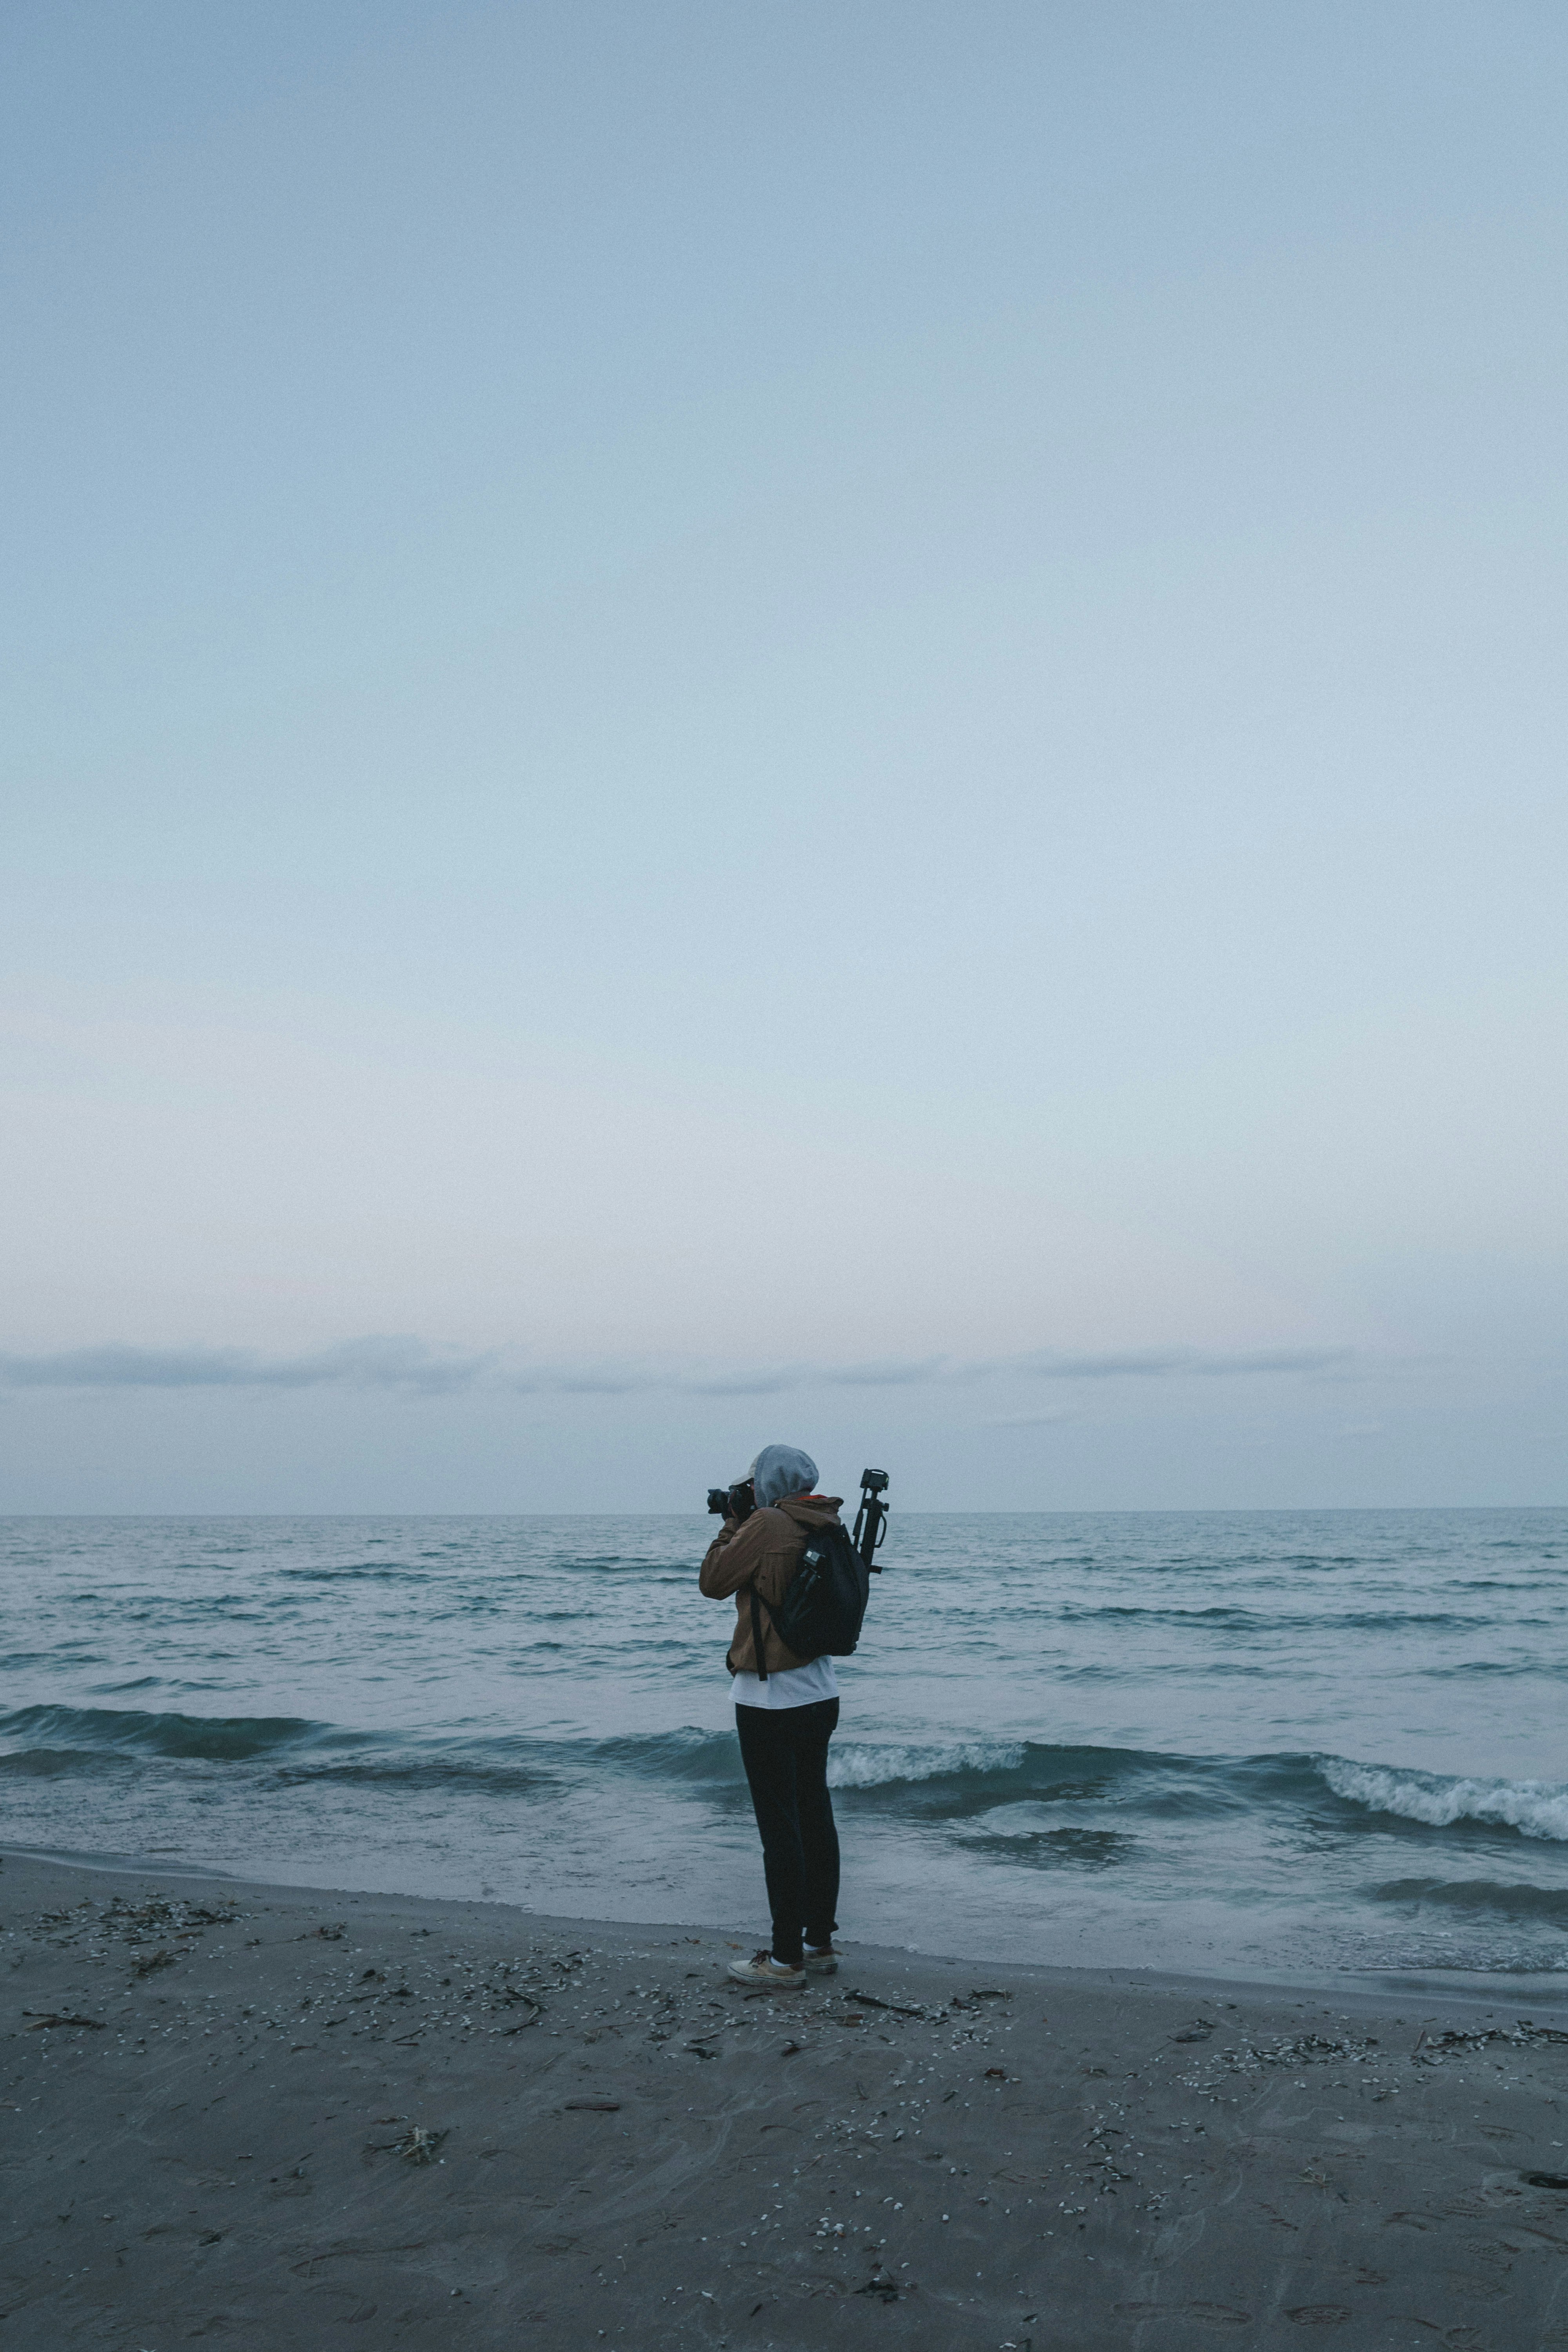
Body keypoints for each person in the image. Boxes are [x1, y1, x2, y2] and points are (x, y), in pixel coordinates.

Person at [699, 1442, 844, 1988]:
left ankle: (785, 1960)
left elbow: (713, 1581)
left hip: (768, 1698)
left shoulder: (766, 1525)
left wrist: (731, 1525)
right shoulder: (826, 1522)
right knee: (815, 1815)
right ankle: (820, 1942)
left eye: (754, 1484)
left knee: (779, 1828)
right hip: (820, 1692)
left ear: (768, 1485)